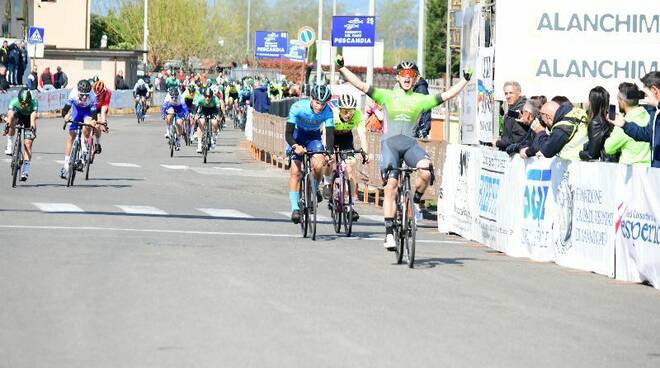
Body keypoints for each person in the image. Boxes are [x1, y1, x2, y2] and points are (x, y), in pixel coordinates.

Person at [337, 56, 470, 251]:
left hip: (409, 144)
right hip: (390, 144)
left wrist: (465, 79)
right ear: (397, 77)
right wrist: (341, 68)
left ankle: (414, 200)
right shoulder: (387, 96)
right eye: (403, 74)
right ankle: (389, 233)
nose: (407, 78)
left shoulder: (420, 99)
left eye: (411, 75)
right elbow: (360, 85)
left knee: (426, 171)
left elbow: (447, 95)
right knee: (391, 185)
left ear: (416, 78)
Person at [285, 84, 334, 224]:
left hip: (313, 138)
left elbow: (330, 135)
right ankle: (295, 209)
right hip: (296, 136)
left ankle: (315, 186)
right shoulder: (298, 107)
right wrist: (295, 146)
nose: (319, 107)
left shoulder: (328, 111)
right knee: (295, 172)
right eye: (317, 102)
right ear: (312, 99)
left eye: (323, 104)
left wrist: (329, 153)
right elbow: (288, 134)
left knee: (319, 165)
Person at [326, 93, 370, 220]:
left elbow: (362, 134)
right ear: (339, 109)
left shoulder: (358, 115)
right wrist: (327, 152)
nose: (348, 114)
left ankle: (351, 207)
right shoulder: (332, 114)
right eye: (345, 111)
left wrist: (365, 152)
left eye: (350, 111)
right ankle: (327, 182)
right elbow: (326, 134)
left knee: (350, 170)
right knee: (331, 159)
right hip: (331, 136)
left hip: (345, 138)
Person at [612, 71, 660, 168]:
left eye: (646, 94)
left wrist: (657, 104)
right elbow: (647, 134)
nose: (645, 98)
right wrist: (624, 125)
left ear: (654, 90)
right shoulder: (655, 112)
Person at [604, 83, 651, 166]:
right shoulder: (649, 116)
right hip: (651, 170)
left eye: (618, 99)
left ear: (622, 102)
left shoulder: (623, 124)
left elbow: (608, 148)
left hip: (631, 171)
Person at [59, 80, 98, 179]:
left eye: (86, 95)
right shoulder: (73, 94)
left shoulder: (92, 96)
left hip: (87, 111)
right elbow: (65, 110)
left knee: (88, 124)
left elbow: (94, 114)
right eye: (82, 95)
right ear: (78, 92)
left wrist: (93, 121)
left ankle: (84, 145)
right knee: (71, 136)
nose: (84, 97)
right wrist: (65, 116)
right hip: (77, 110)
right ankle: (66, 166)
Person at [4, 89, 38, 181]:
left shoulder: (34, 103)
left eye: (26, 104)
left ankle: (25, 170)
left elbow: (33, 117)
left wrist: (32, 129)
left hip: (28, 119)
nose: (23, 105)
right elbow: (10, 114)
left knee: (27, 144)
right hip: (18, 116)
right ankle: (10, 145)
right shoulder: (14, 101)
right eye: (21, 103)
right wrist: (7, 125)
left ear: (29, 101)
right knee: (11, 121)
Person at [578, 86, 617, 162]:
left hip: (603, 164)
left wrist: (579, 153)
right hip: (611, 161)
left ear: (592, 102)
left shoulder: (596, 123)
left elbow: (592, 155)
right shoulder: (610, 118)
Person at [495, 81, 528, 151]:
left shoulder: (521, 109)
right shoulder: (513, 109)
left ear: (519, 93)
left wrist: (498, 142)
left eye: (511, 93)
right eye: (506, 93)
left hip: (517, 155)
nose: (508, 96)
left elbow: (518, 137)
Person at [195, 88, 222, 153]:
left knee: (215, 122)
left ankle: (213, 137)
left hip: (213, 110)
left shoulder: (215, 99)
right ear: (203, 96)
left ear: (212, 96)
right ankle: (199, 145)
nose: (207, 98)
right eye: (206, 96)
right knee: (201, 122)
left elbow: (218, 110)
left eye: (209, 97)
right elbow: (195, 108)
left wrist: (218, 116)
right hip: (203, 110)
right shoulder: (200, 99)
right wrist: (195, 115)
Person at [92, 80, 112, 154]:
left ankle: (97, 143)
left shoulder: (108, 93)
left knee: (98, 123)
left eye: (100, 95)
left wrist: (103, 123)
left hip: (101, 108)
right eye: (97, 94)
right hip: (92, 106)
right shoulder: (91, 91)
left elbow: (103, 111)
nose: (98, 96)